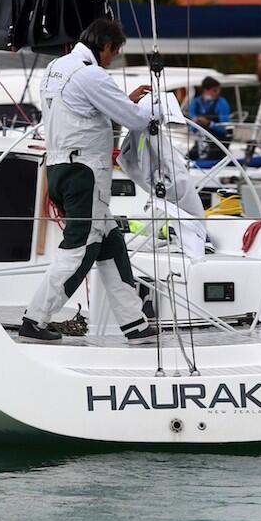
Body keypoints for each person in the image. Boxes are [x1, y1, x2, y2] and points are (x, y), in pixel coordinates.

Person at [20, 18, 159, 344]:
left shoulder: (57, 67)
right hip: (85, 173)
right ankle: (35, 319)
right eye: (115, 52)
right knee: (81, 247)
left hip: (59, 169)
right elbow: (135, 118)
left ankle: (134, 323)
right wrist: (155, 107)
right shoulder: (90, 73)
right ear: (107, 46)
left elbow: (80, 108)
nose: (113, 59)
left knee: (110, 244)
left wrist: (123, 99)